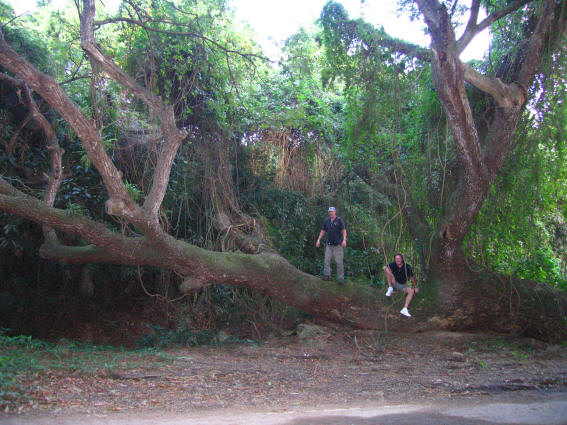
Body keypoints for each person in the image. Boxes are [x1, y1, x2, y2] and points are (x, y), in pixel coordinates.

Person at [316, 207, 347, 285]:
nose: (331, 213)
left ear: (335, 212)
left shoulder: (339, 220)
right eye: (330, 212)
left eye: (332, 212)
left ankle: (340, 279)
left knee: (339, 262)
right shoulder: (327, 221)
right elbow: (323, 231)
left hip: (338, 245)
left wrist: (344, 240)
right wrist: (318, 240)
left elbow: (344, 230)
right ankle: (327, 276)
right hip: (329, 245)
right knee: (326, 261)